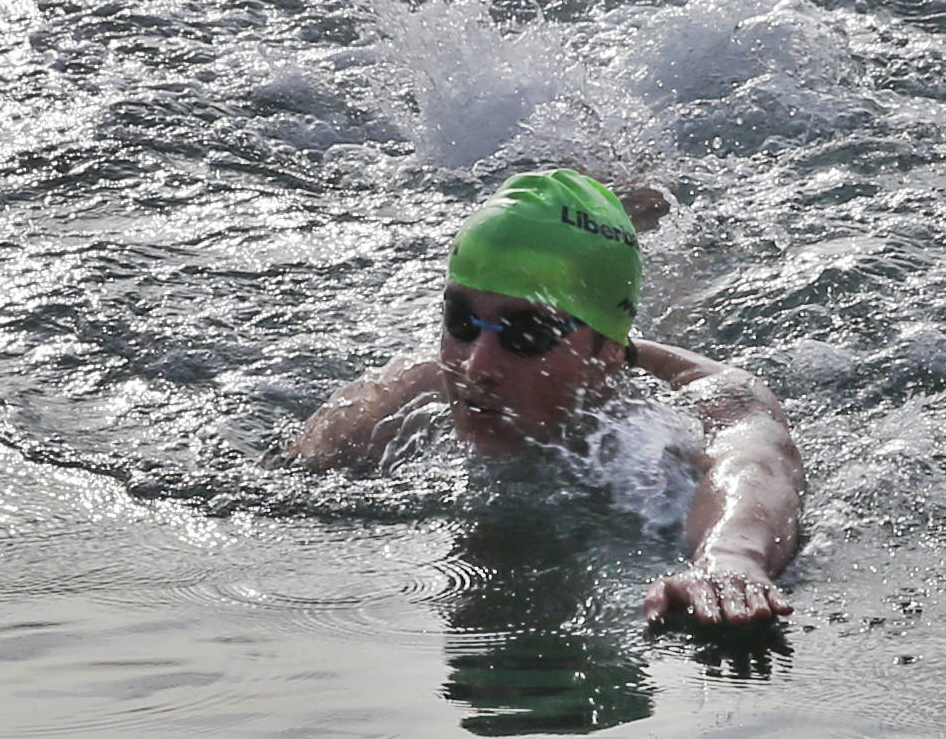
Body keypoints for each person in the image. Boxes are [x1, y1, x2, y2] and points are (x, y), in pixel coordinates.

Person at [285, 168, 804, 627]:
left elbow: (754, 464)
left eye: (527, 334)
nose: (474, 367)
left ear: (606, 349)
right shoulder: (400, 395)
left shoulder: (709, 396)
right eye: (461, 321)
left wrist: (731, 558)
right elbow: (283, 480)